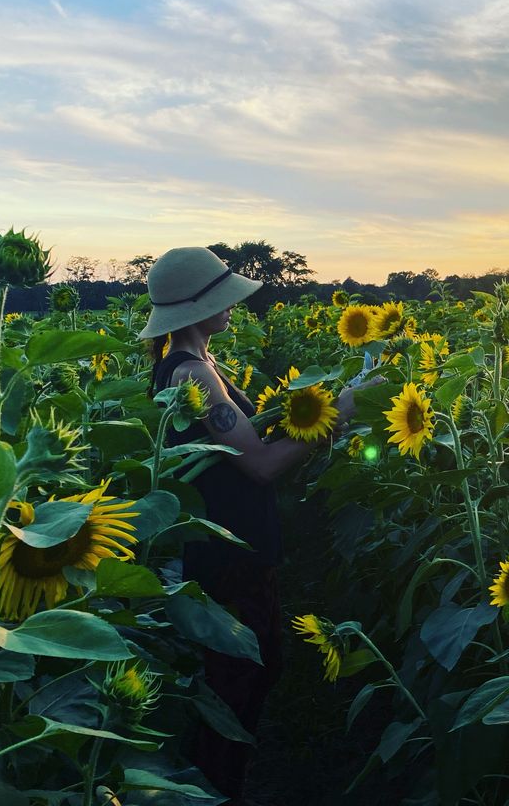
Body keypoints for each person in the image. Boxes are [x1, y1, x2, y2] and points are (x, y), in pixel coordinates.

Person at [139, 246, 366, 805]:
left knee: (247, 673)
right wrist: (340, 410)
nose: (233, 306)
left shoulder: (198, 365)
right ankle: (216, 791)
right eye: (222, 297)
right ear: (196, 308)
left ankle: (218, 785)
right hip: (227, 558)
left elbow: (247, 447)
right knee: (237, 682)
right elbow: (262, 465)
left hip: (234, 549)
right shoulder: (190, 372)